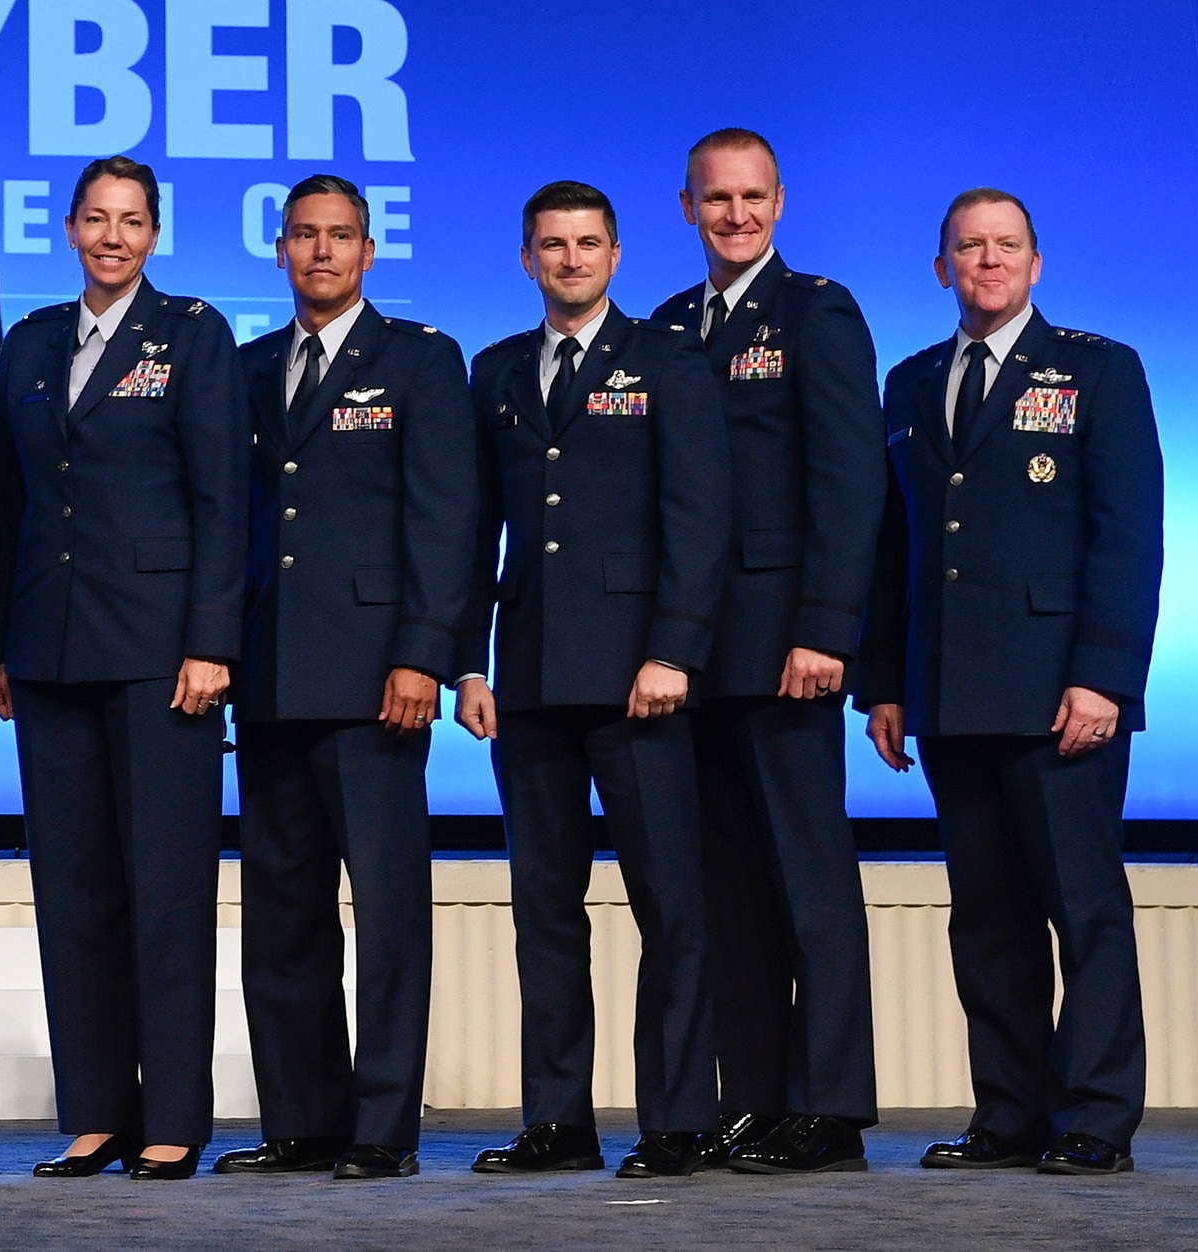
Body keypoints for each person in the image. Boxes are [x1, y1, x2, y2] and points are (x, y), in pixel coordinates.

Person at [859, 189, 1163, 1176]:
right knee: (985, 919)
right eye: (966, 248)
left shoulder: (1096, 370)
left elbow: (1126, 537)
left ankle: (1095, 1118)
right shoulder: (908, 384)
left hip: (1058, 695)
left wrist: (1102, 677)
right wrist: (885, 682)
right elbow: (892, 546)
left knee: (1082, 910)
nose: (986, 262)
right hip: (947, 692)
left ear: (1034, 263)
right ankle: (1008, 1115)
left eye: (1005, 247)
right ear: (939, 266)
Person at [0, 156, 248, 1182]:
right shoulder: (31, 341)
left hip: (160, 652)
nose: (112, 237)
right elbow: (5, 504)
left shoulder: (193, 334)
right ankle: (94, 1111)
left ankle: (171, 1115)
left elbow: (224, 497)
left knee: (166, 889)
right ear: (70, 227)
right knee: (73, 891)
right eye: (95, 219)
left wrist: (211, 639)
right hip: (46, 648)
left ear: (154, 233)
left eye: (131, 221)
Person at [459, 182, 731, 1179]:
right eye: (550, 245)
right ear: (525, 257)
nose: (569, 260)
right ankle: (557, 1120)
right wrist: (463, 660)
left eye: (585, 244)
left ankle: (673, 1121)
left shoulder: (667, 361)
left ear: (615, 254)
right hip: (527, 676)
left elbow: (698, 517)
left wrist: (673, 649)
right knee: (543, 908)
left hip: (635, 678)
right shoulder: (491, 372)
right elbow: (467, 531)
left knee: (670, 904)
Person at [211, 176, 476, 1182]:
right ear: (279, 250)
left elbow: (445, 521)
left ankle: (379, 1127)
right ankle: (301, 1122)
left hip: (376, 681)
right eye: (304, 237)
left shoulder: (417, 359)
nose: (321, 252)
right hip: (271, 676)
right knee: (282, 916)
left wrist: (423, 652)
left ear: (367, 252)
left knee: (388, 915)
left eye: (339, 237)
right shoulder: (242, 368)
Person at [650, 128, 886, 1173]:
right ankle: (749, 1098)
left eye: (751, 197)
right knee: (724, 894)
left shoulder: (816, 311)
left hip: (785, 646)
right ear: (687, 206)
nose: (734, 214)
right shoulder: (662, 325)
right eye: (715, 198)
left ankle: (827, 1107)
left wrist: (825, 628)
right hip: (689, 657)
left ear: (778, 203)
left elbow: (848, 480)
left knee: (810, 884)